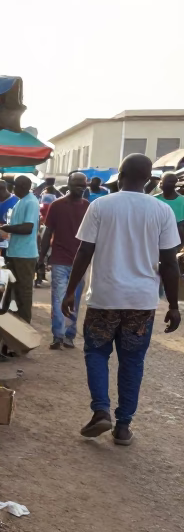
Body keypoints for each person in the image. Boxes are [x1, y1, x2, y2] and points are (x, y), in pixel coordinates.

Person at [61, 154, 181, 445]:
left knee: (96, 352)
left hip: (105, 297)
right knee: (132, 361)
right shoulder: (162, 211)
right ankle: (124, 425)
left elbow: (84, 252)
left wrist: (70, 290)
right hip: (141, 302)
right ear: (150, 178)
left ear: (121, 174)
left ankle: (101, 410)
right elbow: (169, 262)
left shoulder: (101, 206)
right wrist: (174, 306)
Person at [39, 171, 90, 349]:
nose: (80, 187)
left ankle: (69, 334)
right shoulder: (57, 205)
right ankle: (58, 335)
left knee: (75, 299)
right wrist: (41, 258)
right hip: (60, 259)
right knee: (59, 298)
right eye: (76, 184)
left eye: (83, 184)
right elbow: (47, 232)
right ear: (68, 185)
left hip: (80, 262)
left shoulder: (88, 207)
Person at [0, 176, 40, 325]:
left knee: (24, 292)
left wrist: (7, 228)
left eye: (15, 186)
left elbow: (28, 227)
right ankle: (8, 323)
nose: (13, 189)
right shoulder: (21, 201)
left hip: (25, 254)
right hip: (15, 252)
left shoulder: (31, 202)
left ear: (23, 186)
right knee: (11, 290)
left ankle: (25, 324)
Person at [154, 170, 184, 243]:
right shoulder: (154, 199)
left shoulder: (182, 200)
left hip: (176, 239)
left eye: (170, 182)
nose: (160, 183)